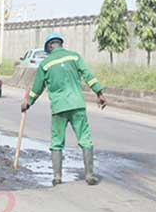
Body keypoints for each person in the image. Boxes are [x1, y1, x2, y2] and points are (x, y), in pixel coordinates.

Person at [22, 33, 107, 186]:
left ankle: (57, 177)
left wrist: (28, 103)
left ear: (49, 46)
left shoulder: (45, 64)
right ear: (60, 44)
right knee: (85, 139)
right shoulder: (74, 57)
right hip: (77, 105)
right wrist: (99, 92)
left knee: (56, 142)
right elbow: (88, 75)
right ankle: (89, 175)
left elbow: (37, 88)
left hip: (59, 108)